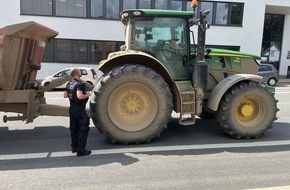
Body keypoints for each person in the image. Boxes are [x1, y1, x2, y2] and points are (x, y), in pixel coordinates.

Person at [64, 68, 91, 156]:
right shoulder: (79, 84)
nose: (81, 72)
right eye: (79, 71)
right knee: (83, 129)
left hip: (72, 109)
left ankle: (74, 147)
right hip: (79, 109)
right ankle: (81, 151)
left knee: (73, 129)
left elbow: (65, 95)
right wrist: (87, 94)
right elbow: (79, 96)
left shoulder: (69, 83)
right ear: (77, 73)